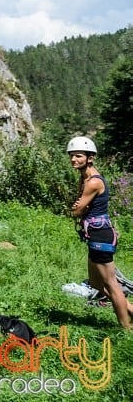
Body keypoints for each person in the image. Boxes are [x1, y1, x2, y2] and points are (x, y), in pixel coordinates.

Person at [66, 136, 132, 329]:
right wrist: (80, 208)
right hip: (96, 234)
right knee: (96, 283)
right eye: (71, 156)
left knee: (112, 285)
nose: (73, 159)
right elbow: (81, 208)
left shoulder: (93, 182)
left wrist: (78, 209)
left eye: (78, 156)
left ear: (90, 157)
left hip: (100, 236)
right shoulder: (85, 178)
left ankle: (126, 328)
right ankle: (130, 311)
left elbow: (77, 211)